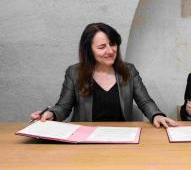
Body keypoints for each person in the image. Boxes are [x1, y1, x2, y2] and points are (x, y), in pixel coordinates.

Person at [31, 22, 177, 128]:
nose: (110, 50)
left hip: (122, 137)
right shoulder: (74, 73)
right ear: (89, 50)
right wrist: (51, 114)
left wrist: (156, 115)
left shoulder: (129, 71)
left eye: (112, 44)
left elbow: (145, 102)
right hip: (85, 138)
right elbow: (63, 106)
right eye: (102, 47)